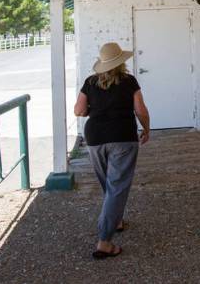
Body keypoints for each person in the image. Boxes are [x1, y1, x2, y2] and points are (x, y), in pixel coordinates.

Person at [73, 41, 151, 260]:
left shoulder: (90, 82)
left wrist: (95, 110)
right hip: (123, 137)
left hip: (95, 137)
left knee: (109, 183)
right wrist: (146, 129)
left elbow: (78, 110)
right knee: (116, 186)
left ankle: (115, 220)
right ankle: (104, 242)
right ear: (121, 62)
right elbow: (140, 110)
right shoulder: (129, 81)